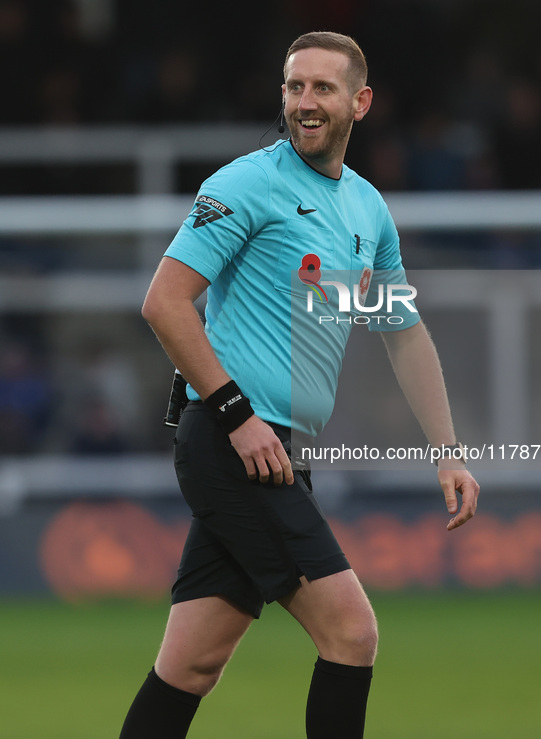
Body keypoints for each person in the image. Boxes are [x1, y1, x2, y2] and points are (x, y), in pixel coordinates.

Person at [119, 31, 479, 739]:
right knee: (351, 632)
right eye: (293, 87)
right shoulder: (245, 184)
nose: (304, 103)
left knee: (190, 665)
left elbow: (400, 333)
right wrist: (235, 413)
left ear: (360, 102)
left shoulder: (366, 209)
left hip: (278, 449)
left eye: (321, 88)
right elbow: (164, 302)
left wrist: (447, 449)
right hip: (234, 443)